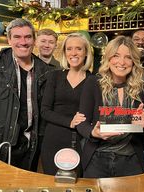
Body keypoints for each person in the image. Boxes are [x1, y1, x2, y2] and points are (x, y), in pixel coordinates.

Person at [0, 18, 54, 171]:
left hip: (29, 146)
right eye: (17, 37)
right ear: (9, 40)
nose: (23, 42)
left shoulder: (46, 71)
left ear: (34, 40)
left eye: (28, 37)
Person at [77, 36, 144, 178]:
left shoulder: (143, 87)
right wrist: (93, 132)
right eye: (116, 56)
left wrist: (142, 124)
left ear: (134, 61)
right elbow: (81, 122)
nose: (121, 62)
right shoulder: (93, 83)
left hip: (131, 161)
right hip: (96, 159)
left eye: (128, 57)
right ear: (108, 58)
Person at [40, 32, 93, 175]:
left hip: (82, 141)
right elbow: (44, 111)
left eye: (78, 49)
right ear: (64, 52)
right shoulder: (54, 76)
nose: (73, 53)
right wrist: (70, 121)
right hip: (54, 139)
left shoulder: (94, 80)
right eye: (69, 49)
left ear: (86, 52)